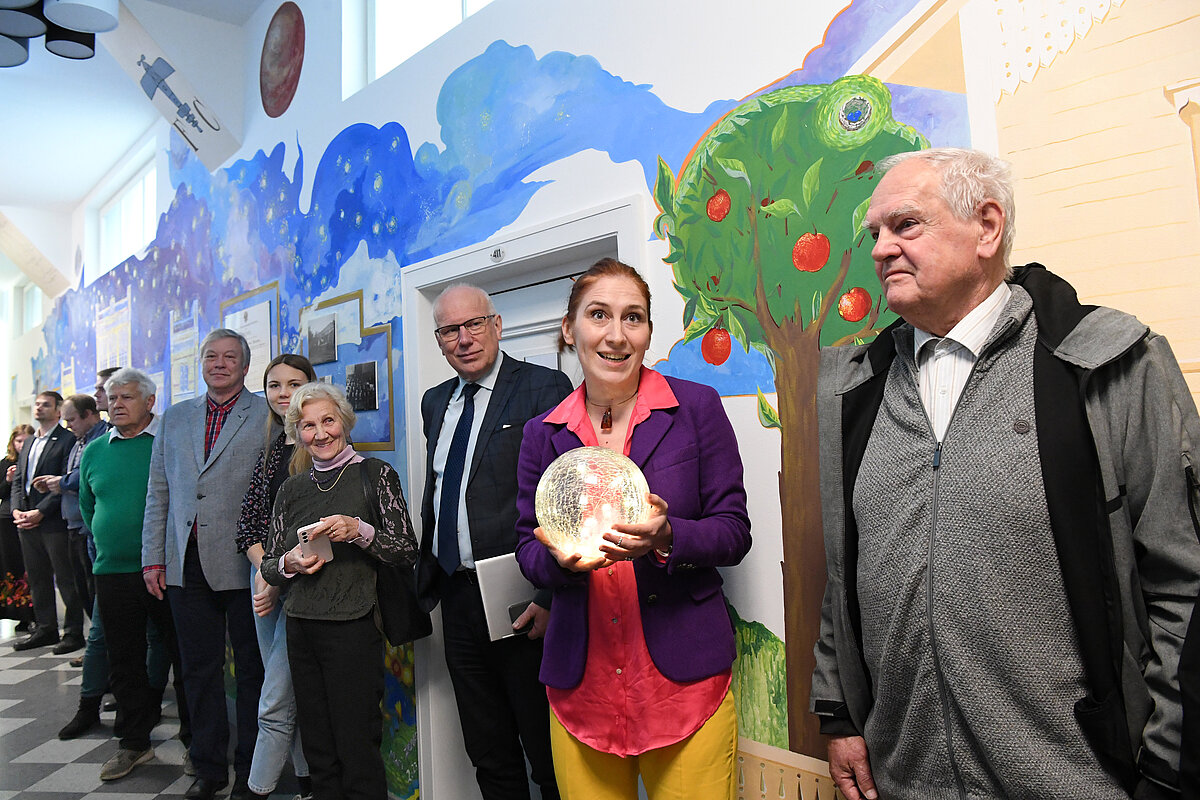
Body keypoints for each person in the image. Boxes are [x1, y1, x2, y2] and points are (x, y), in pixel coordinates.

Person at [811, 148, 1200, 799]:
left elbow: (1184, 582)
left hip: (1077, 781)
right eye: (875, 232)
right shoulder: (857, 390)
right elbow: (845, 567)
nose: (879, 249)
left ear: (987, 227)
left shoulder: (1108, 365)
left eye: (905, 225)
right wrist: (842, 714)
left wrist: (1168, 769)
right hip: (905, 781)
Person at [515, 258, 752, 800]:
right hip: (582, 689)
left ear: (647, 331)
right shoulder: (541, 434)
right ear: (569, 329)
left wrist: (668, 538)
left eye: (633, 317)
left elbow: (733, 531)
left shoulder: (695, 409)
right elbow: (527, 545)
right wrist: (557, 562)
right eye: (598, 315)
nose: (617, 335)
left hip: (683, 684)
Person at [416, 283, 571, 800]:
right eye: (449, 330)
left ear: (497, 325)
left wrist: (549, 595)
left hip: (520, 597)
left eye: (474, 324)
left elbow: (565, 495)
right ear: (439, 340)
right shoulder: (435, 402)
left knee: (546, 750)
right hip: (456, 596)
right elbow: (442, 489)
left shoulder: (544, 387)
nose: (463, 339)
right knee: (487, 747)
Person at [260, 382, 418, 800]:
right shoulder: (292, 489)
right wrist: (291, 563)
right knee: (318, 749)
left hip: (354, 627)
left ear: (344, 422)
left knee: (357, 745)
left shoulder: (375, 475)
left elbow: (406, 549)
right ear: (297, 433)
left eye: (327, 421)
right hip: (301, 628)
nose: (320, 433)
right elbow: (270, 565)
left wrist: (359, 530)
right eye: (308, 425)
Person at [142, 329, 268, 800]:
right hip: (185, 564)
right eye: (211, 356)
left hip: (246, 563)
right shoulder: (175, 418)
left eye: (229, 357)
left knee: (252, 671)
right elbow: (158, 492)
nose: (219, 363)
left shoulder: (267, 415)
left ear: (245, 366)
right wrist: (152, 558)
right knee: (198, 671)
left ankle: (252, 772)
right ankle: (208, 768)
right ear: (201, 363)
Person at [81, 369, 187, 781]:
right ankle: (134, 743)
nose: (117, 404)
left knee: (183, 655)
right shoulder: (95, 450)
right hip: (112, 570)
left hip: (165, 568)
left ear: (150, 401)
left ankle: (196, 742)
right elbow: (89, 508)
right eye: (112, 398)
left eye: (127, 397)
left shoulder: (168, 442)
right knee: (124, 660)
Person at [235, 354, 316, 800]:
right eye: (274, 385)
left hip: (304, 586)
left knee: (274, 702)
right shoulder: (270, 449)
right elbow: (247, 527)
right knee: (286, 693)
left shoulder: (319, 448)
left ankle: (256, 790)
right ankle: (306, 783)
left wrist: (275, 574)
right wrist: (264, 572)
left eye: (293, 384)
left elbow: (315, 533)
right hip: (264, 584)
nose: (283, 394)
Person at [12, 390, 83, 653]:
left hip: (53, 521)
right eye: (37, 404)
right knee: (37, 577)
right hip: (26, 520)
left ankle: (73, 632)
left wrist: (41, 511)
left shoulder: (66, 439)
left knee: (66, 578)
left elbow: (64, 480)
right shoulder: (30, 441)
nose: (39, 408)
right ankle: (45, 628)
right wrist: (18, 509)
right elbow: (19, 479)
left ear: (58, 410)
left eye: (45, 405)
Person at [38, 394, 108, 629]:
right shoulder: (79, 440)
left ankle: (100, 642)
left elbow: (84, 474)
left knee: (94, 587)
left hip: (88, 525)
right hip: (73, 523)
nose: (68, 426)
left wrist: (62, 482)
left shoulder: (101, 438)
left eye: (72, 420)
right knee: (82, 587)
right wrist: (58, 482)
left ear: (88, 414)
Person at [0, 425, 35, 628]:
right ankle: (18, 611)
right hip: (6, 518)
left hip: (31, 515)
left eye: (25, 440)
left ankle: (33, 612)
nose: (21, 445)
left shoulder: (35, 459)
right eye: (18, 441)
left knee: (30, 565)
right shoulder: (6, 463)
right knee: (10, 565)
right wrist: (8, 480)